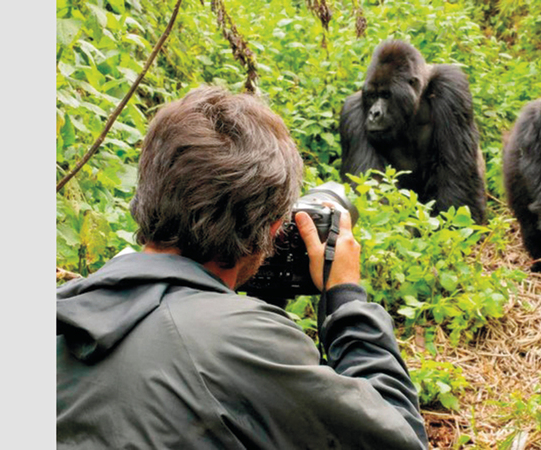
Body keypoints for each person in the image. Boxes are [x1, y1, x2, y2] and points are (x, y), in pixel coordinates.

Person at [56, 86, 429, 449]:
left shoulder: (66, 311)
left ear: (147, 191)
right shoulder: (242, 344)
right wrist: (346, 299)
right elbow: (402, 437)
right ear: (270, 231)